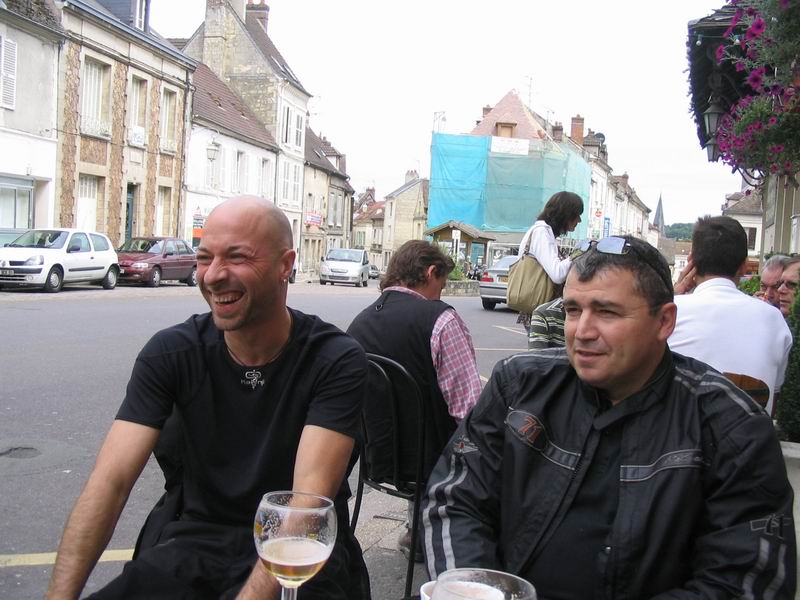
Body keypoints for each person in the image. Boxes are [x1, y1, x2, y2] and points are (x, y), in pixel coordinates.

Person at [423, 235, 796, 599]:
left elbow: (747, 578)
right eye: (573, 310)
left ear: (664, 322)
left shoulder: (730, 425)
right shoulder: (518, 386)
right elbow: (453, 500)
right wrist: (477, 591)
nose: (582, 332)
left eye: (607, 312)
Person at [46, 197, 370, 600]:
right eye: (204, 258)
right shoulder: (171, 353)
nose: (213, 275)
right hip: (192, 544)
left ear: (285, 265)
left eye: (237, 257)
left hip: (300, 554)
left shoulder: (334, 359)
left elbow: (305, 505)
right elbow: (110, 483)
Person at [347, 240, 481, 563]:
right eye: (441, 286)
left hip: (378, 459)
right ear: (431, 272)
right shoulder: (441, 319)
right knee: (489, 437)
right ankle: (453, 536)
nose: (440, 295)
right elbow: (469, 410)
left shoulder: (359, 323)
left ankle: (417, 529)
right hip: (430, 464)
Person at [669, 216, 791, 416]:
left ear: (692, 262)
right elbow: (773, 398)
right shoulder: (774, 319)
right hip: (751, 432)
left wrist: (672, 295)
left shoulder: (669, 312)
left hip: (679, 431)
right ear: (744, 266)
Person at [515, 192, 583, 333]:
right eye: (577, 215)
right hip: (540, 313)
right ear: (566, 214)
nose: (579, 220)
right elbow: (557, 274)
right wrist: (578, 253)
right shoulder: (541, 232)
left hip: (541, 310)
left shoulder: (545, 232)